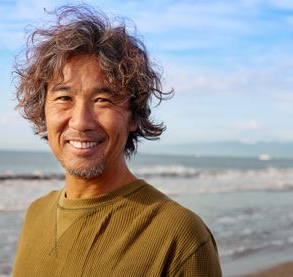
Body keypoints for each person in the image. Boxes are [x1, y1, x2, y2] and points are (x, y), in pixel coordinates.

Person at [13, 5, 221, 276]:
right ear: (43, 110)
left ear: (133, 115)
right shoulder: (35, 214)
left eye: (103, 100)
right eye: (64, 98)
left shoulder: (179, 237)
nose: (81, 121)